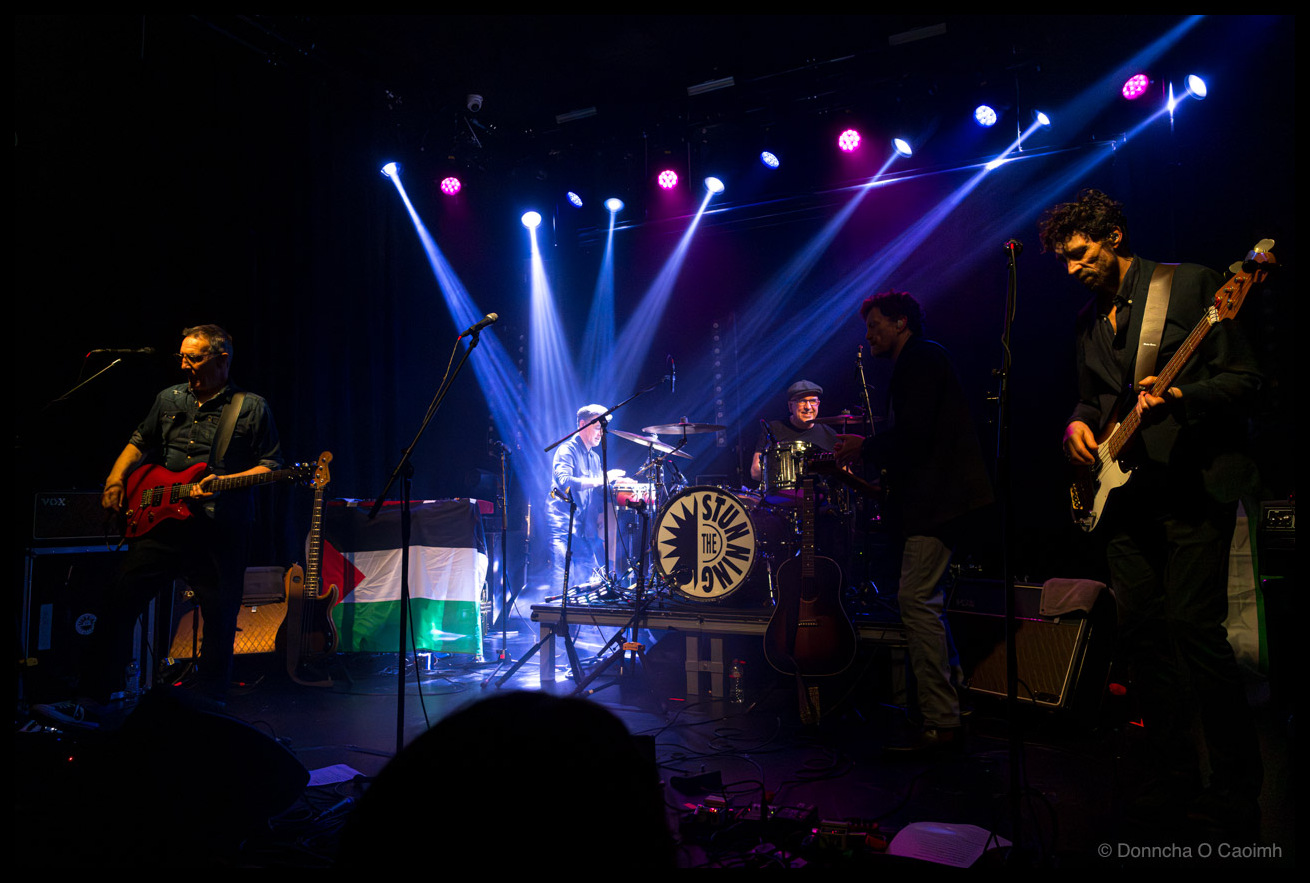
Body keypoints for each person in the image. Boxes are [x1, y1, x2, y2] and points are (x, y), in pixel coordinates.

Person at [1038, 189, 1262, 833]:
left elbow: (1248, 383)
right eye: (1062, 259)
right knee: (1142, 640)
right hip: (1124, 498)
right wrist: (1074, 429)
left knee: (1196, 634)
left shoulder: (1192, 286)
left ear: (1112, 236)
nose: (1070, 268)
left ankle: (1237, 786)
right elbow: (1089, 399)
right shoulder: (1087, 320)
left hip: (1191, 488)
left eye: (1079, 254)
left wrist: (1182, 396)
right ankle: (1172, 775)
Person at [43, 325, 283, 724]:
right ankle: (89, 700)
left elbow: (272, 465)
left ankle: (211, 707)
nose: (185, 365)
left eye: (194, 358)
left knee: (220, 619)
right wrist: (116, 481)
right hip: (160, 520)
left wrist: (220, 485)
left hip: (219, 528)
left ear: (222, 359)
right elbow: (138, 442)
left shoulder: (251, 407)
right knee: (119, 604)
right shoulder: (169, 398)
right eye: (182, 358)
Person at [834, 291, 993, 752]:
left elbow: (916, 434)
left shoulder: (921, 359)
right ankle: (954, 707)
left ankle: (941, 721)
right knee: (927, 602)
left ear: (901, 322)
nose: (870, 335)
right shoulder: (922, 361)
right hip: (941, 501)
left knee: (916, 600)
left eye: (876, 326)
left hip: (940, 504)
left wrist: (863, 447)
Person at [546, 404, 610, 591]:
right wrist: (600, 480)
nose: (601, 433)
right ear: (583, 424)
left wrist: (619, 486)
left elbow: (598, 488)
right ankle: (557, 617)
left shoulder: (595, 458)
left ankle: (578, 620)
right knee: (562, 577)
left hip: (583, 529)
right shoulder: (567, 450)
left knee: (587, 577)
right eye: (598, 428)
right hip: (562, 525)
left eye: (602, 429)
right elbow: (565, 481)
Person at [750, 379, 837, 483]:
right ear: (791, 406)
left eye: (812, 401)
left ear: (818, 404)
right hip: (784, 496)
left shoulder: (830, 435)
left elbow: (845, 473)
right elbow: (755, 471)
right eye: (802, 401)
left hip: (821, 497)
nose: (808, 407)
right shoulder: (772, 430)